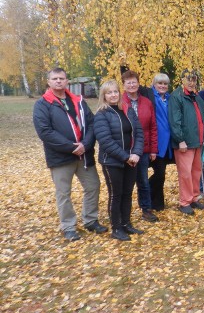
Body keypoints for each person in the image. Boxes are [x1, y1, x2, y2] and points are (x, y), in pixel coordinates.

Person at [33, 68, 106, 241]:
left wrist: (86, 144)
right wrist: (70, 146)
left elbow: (92, 123)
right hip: (60, 157)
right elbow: (45, 132)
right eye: (55, 78)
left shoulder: (79, 101)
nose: (58, 81)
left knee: (93, 186)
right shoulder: (43, 104)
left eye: (62, 78)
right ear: (49, 82)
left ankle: (90, 219)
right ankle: (68, 226)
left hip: (84, 155)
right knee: (63, 193)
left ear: (67, 81)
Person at [94, 80, 145, 241]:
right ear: (104, 96)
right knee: (116, 194)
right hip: (112, 162)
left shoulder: (128, 111)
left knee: (128, 193)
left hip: (132, 160)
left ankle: (126, 224)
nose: (113, 95)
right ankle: (116, 228)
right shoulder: (102, 114)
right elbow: (106, 141)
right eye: (109, 92)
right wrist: (125, 157)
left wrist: (136, 153)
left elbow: (138, 134)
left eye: (115, 91)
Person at [121, 70, 159, 223]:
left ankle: (146, 209)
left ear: (138, 83)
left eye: (134, 81)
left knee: (143, 180)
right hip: (125, 149)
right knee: (126, 182)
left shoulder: (146, 102)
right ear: (123, 85)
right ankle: (124, 212)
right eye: (128, 82)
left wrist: (153, 149)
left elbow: (153, 127)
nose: (131, 84)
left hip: (143, 149)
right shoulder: (119, 102)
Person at [169, 69, 204, 215]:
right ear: (182, 80)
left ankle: (194, 198)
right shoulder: (177, 96)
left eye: (194, 79)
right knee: (185, 173)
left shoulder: (197, 97)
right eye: (188, 79)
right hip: (184, 143)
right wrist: (180, 140)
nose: (191, 82)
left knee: (196, 172)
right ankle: (185, 201)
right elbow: (174, 120)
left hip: (197, 141)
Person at [148, 73, 173, 211]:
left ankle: (157, 204)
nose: (163, 86)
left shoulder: (169, 99)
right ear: (154, 84)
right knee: (159, 173)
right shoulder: (151, 97)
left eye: (165, 84)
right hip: (156, 142)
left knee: (161, 174)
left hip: (168, 142)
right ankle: (148, 197)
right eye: (160, 83)